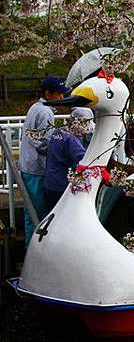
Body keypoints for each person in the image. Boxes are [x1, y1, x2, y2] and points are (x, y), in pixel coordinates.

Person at [18, 76, 70, 245]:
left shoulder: (36, 107)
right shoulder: (45, 112)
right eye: (59, 94)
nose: (62, 98)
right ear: (48, 94)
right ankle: (34, 249)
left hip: (28, 166)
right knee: (38, 214)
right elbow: (42, 142)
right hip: (36, 169)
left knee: (30, 212)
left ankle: (29, 247)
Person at [43, 108, 94, 212]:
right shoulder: (71, 139)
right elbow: (82, 161)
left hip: (50, 182)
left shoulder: (59, 131)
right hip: (62, 186)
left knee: (52, 216)